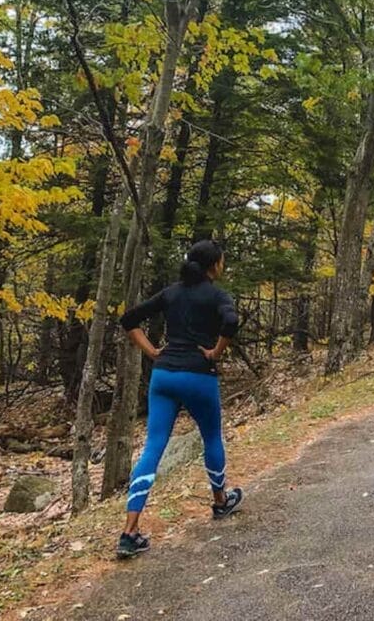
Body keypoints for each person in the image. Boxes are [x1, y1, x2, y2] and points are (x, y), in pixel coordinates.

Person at [114, 239, 243, 559]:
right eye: (222, 261)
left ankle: (129, 533)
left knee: (153, 448)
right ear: (214, 265)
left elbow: (129, 319)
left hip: (164, 377)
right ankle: (220, 502)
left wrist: (153, 352)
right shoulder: (217, 295)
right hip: (199, 377)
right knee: (212, 437)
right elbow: (231, 321)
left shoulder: (171, 293)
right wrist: (215, 351)